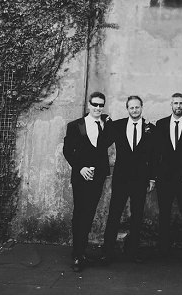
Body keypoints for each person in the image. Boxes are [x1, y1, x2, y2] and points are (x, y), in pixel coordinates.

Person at [100, 95, 156, 262]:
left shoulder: (150, 129)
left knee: (137, 215)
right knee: (114, 214)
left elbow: (153, 156)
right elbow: (103, 142)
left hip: (140, 179)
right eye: (131, 107)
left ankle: (133, 252)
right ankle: (107, 251)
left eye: (137, 107)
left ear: (141, 107)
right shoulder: (117, 126)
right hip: (121, 178)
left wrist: (152, 178)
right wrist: (103, 122)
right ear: (127, 109)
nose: (134, 110)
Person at [62, 91, 110, 272]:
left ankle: (82, 251)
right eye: (95, 104)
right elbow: (68, 150)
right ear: (89, 105)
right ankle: (76, 254)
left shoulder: (106, 124)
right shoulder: (76, 125)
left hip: (97, 176)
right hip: (81, 175)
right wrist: (80, 168)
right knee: (80, 213)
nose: (98, 108)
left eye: (100, 105)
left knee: (89, 213)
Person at [152, 92, 182, 254]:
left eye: (181, 103)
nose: (178, 106)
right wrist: (155, 175)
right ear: (171, 105)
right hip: (164, 177)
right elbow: (155, 152)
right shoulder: (161, 124)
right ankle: (163, 249)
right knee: (164, 213)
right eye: (175, 103)